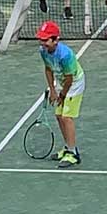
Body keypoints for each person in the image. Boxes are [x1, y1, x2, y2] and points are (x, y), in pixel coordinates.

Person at [36, 20, 85, 168]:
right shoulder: (43, 51)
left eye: (46, 40)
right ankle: (68, 147)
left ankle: (73, 154)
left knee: (66, 117)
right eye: (41, 39)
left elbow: (69, 78)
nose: (43, 42)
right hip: (62, 83)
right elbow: (48, 69)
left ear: (56, 40)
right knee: (58, 115)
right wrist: (52, 89)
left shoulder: (65, 55)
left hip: (74, 84)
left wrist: (61, 95)